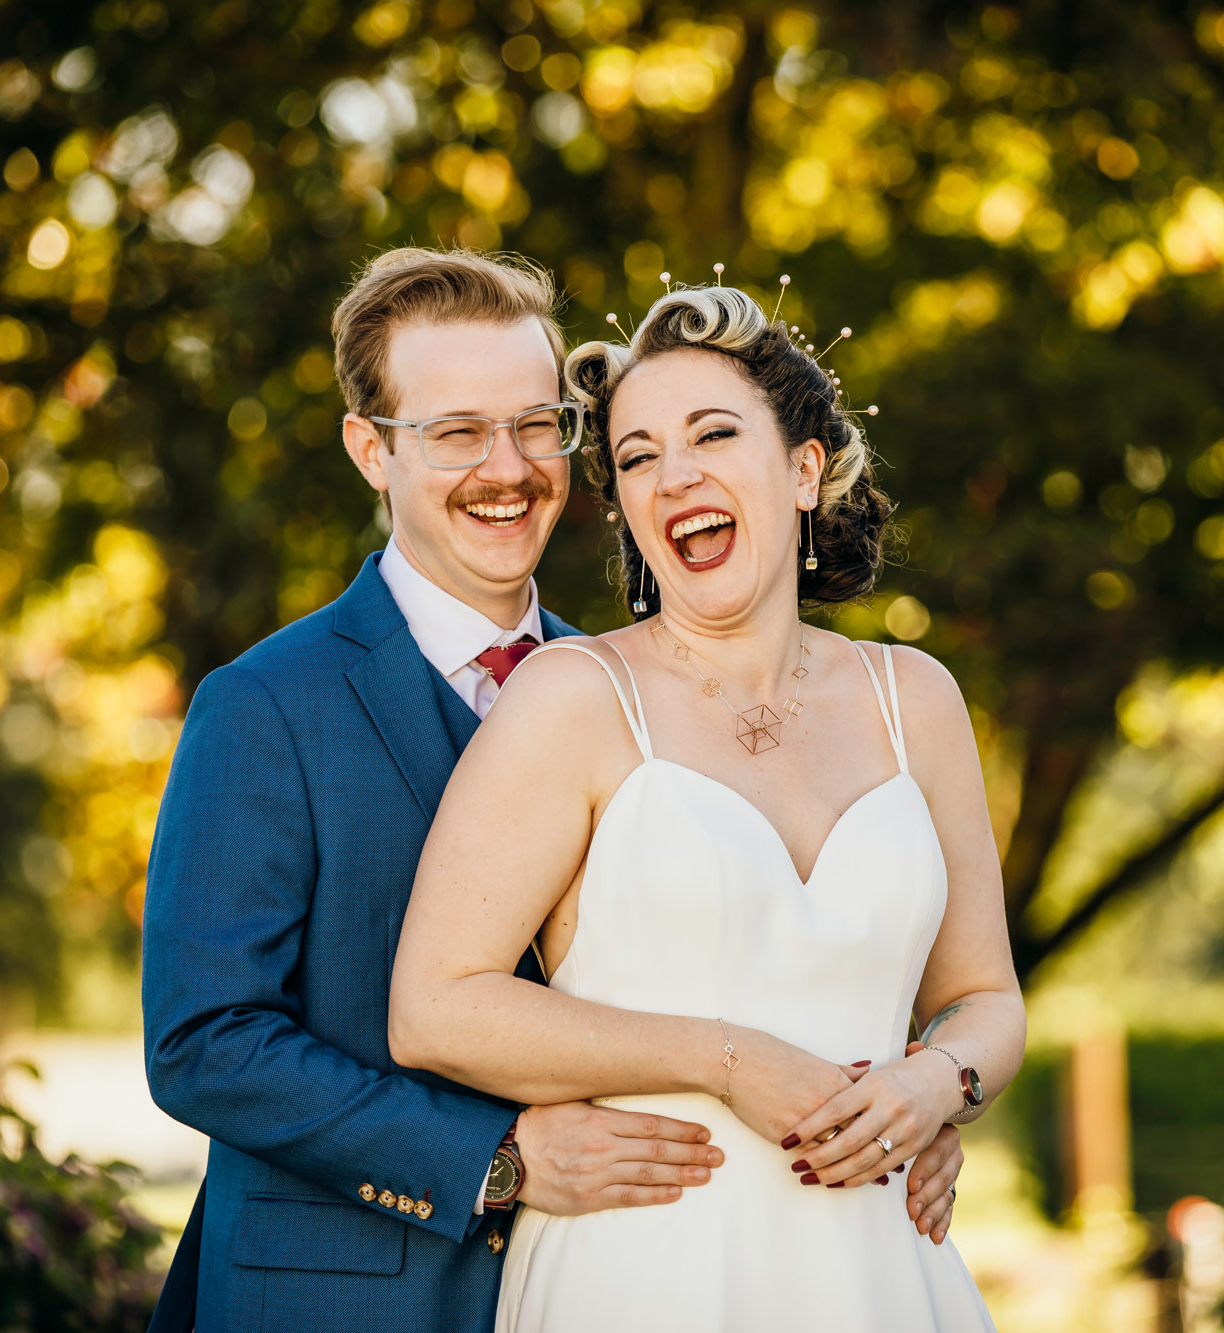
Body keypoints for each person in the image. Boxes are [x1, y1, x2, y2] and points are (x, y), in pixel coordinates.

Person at [141, 248, 963, 1333]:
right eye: (454, 432)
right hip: (345, 1295)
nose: (508, 466)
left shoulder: (631, 691)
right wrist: (493, 1162)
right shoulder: (265, 705)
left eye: (536, 424)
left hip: (639, 1274)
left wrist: (911, 1100)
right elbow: (204, 1042)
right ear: (369, 450)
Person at [390, 282, 1027, 1331]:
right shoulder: (571, 699)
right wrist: (721, 1059)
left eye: (712, 434)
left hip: (882, 1269)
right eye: (637, 456)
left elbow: (986, 999)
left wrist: (934, 1084)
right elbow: (434, 1007)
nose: (672, 473)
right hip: (644, 1265)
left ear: (803, 469)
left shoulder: (915, 700)